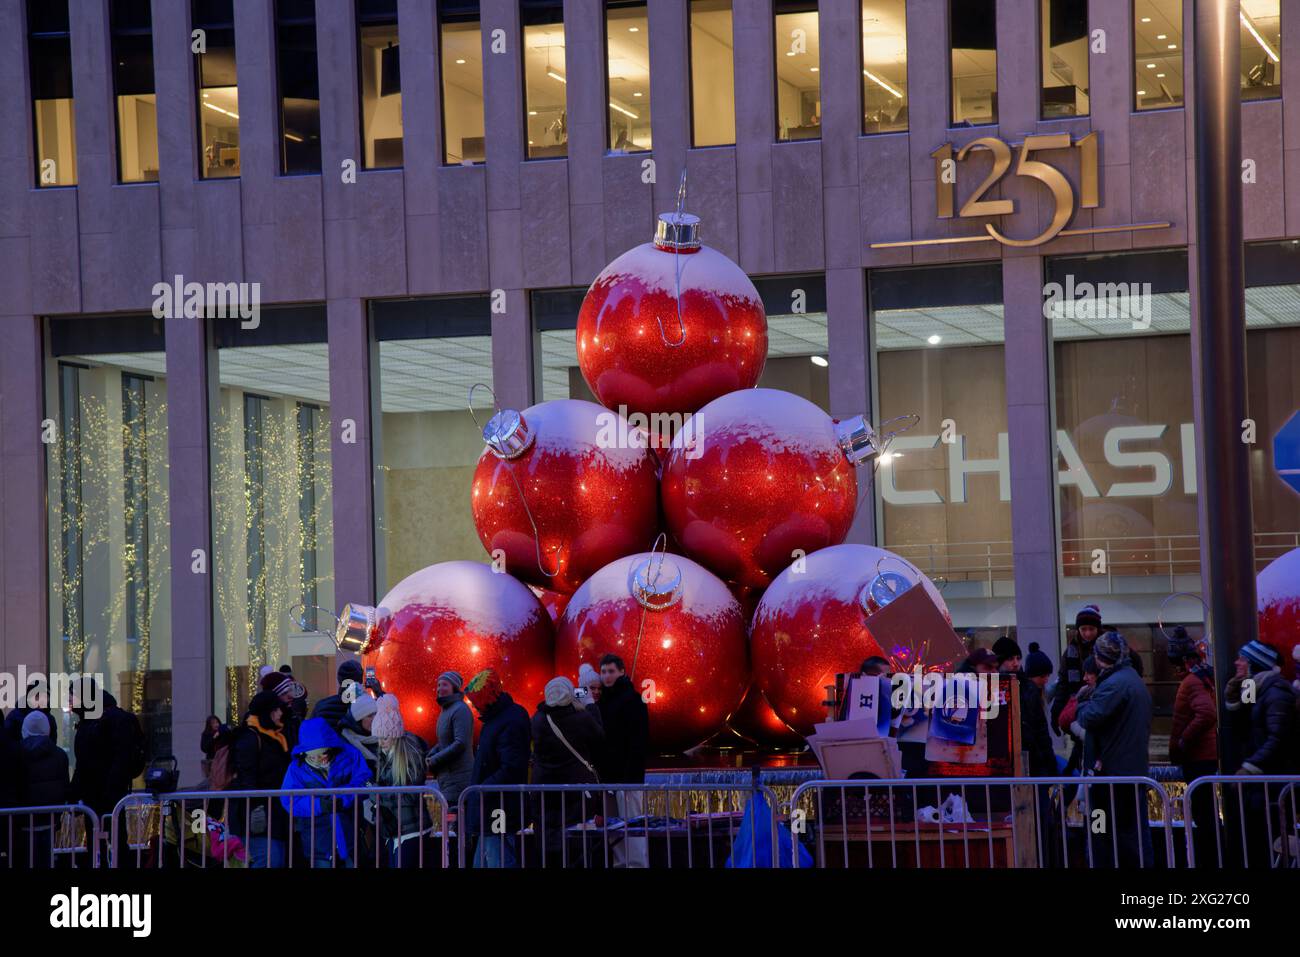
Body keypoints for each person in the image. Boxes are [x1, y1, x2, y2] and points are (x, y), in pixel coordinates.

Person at [1074, 632, 1154, 867]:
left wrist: (1081, 703)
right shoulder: (1132, 680)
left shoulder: (1113, 685)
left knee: (1103, 833)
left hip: (1110, 778)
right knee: (1133, 835)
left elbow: (1089, 717)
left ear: (1100, 658)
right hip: (1129, 773)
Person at [1223, 640, 1298, 866]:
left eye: (1243, 659)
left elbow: (1278, 738)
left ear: (1255, 664)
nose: (1237, 662)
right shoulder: (1253, 686)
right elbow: (1242, 727)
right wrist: (1233, 697)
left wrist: (1250, 767)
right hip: (1261, 786)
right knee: (1257, 841)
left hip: (1273, 786)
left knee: (1270, 840)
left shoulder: (1276, 692)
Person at [280, 717, 372, 868]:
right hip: (318, 841)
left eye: (322, 753)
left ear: (330, 747)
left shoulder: (349, 755)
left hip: (350, 834)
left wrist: (344, 799)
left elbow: (364, 781)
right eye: (312, 756)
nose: (318, 759)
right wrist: (319, 805)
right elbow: (289, 800)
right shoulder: (296, 768)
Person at [531, 676, 604, 864]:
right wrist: (590, 705)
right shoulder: (580, 717)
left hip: (544, 788)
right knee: (577, 840)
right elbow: (599, 737)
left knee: (548, 838)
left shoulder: (538, 719)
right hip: (577, 788)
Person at [463, 669, 531, 868]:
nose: (475, 708)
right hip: (492, 803)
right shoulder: (498, 718)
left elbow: (511, 767)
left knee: (497, 858)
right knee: (489, 857)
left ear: (486, 699)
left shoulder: (507, 720)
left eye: (476, 703)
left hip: (499, 806)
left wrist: (481, 790)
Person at [1166, 627, 1217, 864]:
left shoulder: (1191, 682)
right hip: (1204, 755)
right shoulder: (1203, 677)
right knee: (1206, 811)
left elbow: (1206, 714)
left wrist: (1184, 740)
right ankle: (1212, 855)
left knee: (1203, 812)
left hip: (1197, 757)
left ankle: (1208, 858)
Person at [596, 653, 650, 868]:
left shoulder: (633, 700)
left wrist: (631, 777)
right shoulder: (603, 702)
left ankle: (636, 865)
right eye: (603, 672)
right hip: (609, 779)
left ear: (621, 672)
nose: (606, 676)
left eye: (610, 671)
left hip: (627, 779)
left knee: (633, 829)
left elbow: (638, 742)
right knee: (615, 831)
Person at [229, 691, 293, 868]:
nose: (281, 713)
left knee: (276, 859)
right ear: (267, 712)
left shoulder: (275, 737)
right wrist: (255, 809)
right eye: (277, 710)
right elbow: (245, 777)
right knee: (268, 859)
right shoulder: (249, 738)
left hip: (275, 812)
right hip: (257, 816)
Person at [369, 694, 432, 868]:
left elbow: (410, 796)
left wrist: (377, 795)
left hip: (412, 829)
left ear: (395, 735)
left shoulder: (410, 754)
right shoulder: (385, 755)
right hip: (396, 829)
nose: (381, 743)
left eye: (385, 737)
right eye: (378, 738)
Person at [14, 711, 69, 868]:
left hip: (21, 820)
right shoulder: (59, 755)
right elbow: (64, 785)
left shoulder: (16, 753)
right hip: (49, 819)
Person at [425, 671, 475, 808]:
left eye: (445, 685)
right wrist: (431, 753)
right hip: (448, 778)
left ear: (454, 688)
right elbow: (444, 741)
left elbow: (460, 743)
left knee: (459, 821)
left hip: (459, 778)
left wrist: (435, 759)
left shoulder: (460, 710)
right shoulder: (445, 711)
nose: (440, 688)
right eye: (439, 685)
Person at [1051, 604, 1102, 737]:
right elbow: (1063, 682)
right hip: (1077, 706)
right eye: (1083, 629)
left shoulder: (1106, 649)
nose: (1087, 633)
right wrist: (1056, 712)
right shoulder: (1070, 652)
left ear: (1098, 628)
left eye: (1091, 629)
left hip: (1101, 703)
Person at [1019, 642, 1057, 776]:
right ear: (1030, 675)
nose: (1046, 680)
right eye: (1042, 676)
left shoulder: (1034, 692)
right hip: (1037, 758)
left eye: (1047, 676)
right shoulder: (1032, 694)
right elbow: (1041, 732)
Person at [311, 659, 366, 731]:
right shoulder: (365, 708)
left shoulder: (321, 706)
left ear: (339, 679)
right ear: (361, 680)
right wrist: (379, 693)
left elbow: (310, 733)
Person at [4, 678, 57, 745]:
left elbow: (52, 746)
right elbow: (7, 741)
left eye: (46, 697)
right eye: (37, 696)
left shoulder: (50, 719)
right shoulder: (15, 716)